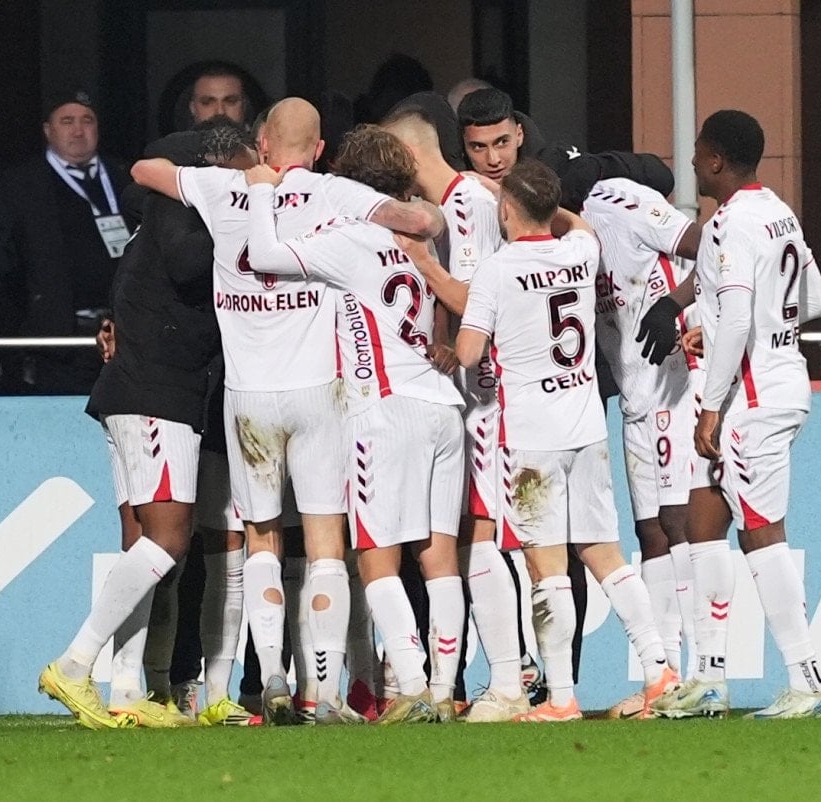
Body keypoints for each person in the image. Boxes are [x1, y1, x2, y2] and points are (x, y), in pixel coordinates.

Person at [130, 98, 445, 725]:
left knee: (261, 539)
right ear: (320, 149)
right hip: (317, 391)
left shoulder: (222, 188)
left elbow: (144, 170)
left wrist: (243, 181)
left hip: (247, 395)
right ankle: (323, 693)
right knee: (326, 543)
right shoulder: (335, 194)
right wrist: (429, 211)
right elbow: (417, 220)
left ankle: (271, 672)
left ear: (265, 144)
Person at [244, 124, 467, 725]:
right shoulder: (420, 235)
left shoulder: (346, 240)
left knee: (375, 558)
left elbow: (264, 257)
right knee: (439, 556)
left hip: (384, 408)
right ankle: (444, 689)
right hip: (442, 402)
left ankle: (412, 685)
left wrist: (263, 194)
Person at [450, 159, 678, 722]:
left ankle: (560, 698)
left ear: (506, 210)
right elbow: (582, 227)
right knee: (605, 553)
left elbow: (469, 353)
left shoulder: (497, 269)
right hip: (586, 427)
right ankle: (660, 670)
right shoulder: (578, 253)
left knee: (545, 567)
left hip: (531, 438)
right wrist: (551, 208)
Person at [58, 120, 258, 730]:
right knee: (167, 542)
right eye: (244, 174)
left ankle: (126, 690)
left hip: (138, 394)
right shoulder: (181, 212)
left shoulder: (160, 215)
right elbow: (191, 264)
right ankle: (73, 664)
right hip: (157, 396)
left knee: (144, 550)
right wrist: (240, 223)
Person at [653, 109, 821, 720]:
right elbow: (815, 299)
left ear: (715, 160)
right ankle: (709, 679)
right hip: (773, 383)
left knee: (760, 532)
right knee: (703, 521)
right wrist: (753, 328)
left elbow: (734, 316)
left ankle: (808, 680)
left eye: (698, 150)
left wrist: (709, 406)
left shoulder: (730, 224)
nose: (693, 160)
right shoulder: (778, 211)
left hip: (750, 401)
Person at [380, 106, 529, 722]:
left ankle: (510, 681)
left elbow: (474, 299)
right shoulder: (466, 199)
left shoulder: (465, 202)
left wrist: (425, 266)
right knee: (477, 535)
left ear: (409, 156)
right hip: (481, 391)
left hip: (490, 394)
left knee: (484, 534)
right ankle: (502, 678)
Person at [579, 172, 704, 718]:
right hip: (636, 400)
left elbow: (711, 246)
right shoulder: (561, 232)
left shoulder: (618, 199)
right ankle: (666, 681)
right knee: (650, 533)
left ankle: (705, 676)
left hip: (675, 384)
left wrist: (674, 305)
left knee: (679, 526)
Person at [0, 89, 132, 395]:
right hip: (57, 345)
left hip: (126, 336)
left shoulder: (125, 176)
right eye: (67, 121)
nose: (78, 130)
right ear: (48, 130)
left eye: (87, 120)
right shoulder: (21, 184)